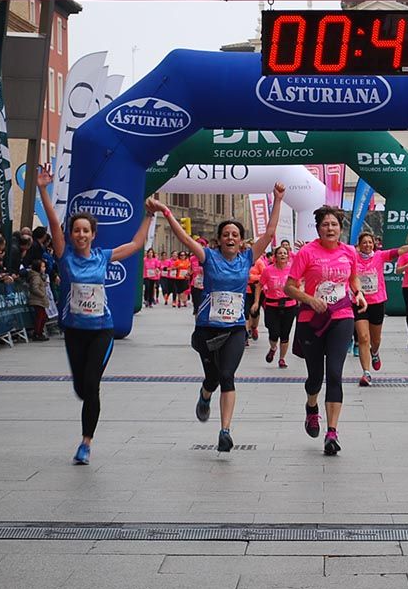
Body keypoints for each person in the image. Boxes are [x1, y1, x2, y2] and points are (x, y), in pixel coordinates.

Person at [37, 165, 159, 465]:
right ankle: (86, 419)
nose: (80, 234)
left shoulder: (103, 256)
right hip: (75, 330)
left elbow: (134, 245)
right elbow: (54, 223)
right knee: (81, 388)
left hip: (102, 329)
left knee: (92, 385)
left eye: (85, 230)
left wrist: (149, 215)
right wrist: (42, 189)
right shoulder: (65, 256)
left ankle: (85, 443)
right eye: (76, 230)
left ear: (93, 234)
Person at [160, 184, 285, 452]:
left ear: (241, 240)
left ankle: (225, 431)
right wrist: (166, 213)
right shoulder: (209, 257)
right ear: (219, 239)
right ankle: (205, 396)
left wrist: (277, 200)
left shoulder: (247, 258)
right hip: (207, 329)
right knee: (212, 378)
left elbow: (270, 232)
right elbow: (184, 239)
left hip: (234, 330)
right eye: (226, 234)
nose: (230, 237)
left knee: (227, 376)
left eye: (235, 234)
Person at [285, 206, 368, 456]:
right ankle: (312, 408)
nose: (330, 228)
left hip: (341, 316)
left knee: (334, 373)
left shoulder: (349, 252)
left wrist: (359, 293)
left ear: (340, 228)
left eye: (334, 224)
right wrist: (309, 299)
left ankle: (332, 433)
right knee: (314, 378)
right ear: (318, 228)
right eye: (325, 225)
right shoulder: (307, 253)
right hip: (311, 319)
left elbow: (353, 278)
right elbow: (289, 287)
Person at [352, 231, 408, 386]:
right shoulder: (353, 258)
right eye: (364, 243)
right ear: (359, 245)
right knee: (363, 337)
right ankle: (366, 373)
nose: (367, 245)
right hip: (359, 302)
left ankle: (375, 352)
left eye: (370, 242)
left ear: (374, 244)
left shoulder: (380, 256)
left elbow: (400, 250)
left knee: (375, 340)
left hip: (377, 301)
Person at [252, 245, 296, 368]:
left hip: (289, 305)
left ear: (288, 256)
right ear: (275, 256)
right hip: (272, 305)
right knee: (274, 332)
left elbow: (298, 284)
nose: (282, 255)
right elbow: (259, 286)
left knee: (285, 334)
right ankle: (273, 348)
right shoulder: (268, 270)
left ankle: (282, 359)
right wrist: (256, 302)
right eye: (280, 253)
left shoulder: (292, 270)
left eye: (285, 253)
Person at [27, 257, 51, 341]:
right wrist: (42, 294)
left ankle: (39, 332)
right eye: (42, 267)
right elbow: (34, 288)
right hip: (37, 300)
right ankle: (37, 333)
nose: (44, 268)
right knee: (40, 317)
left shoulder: (39, 276)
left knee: (43, 317)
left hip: (40, 300)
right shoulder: (36, 277)